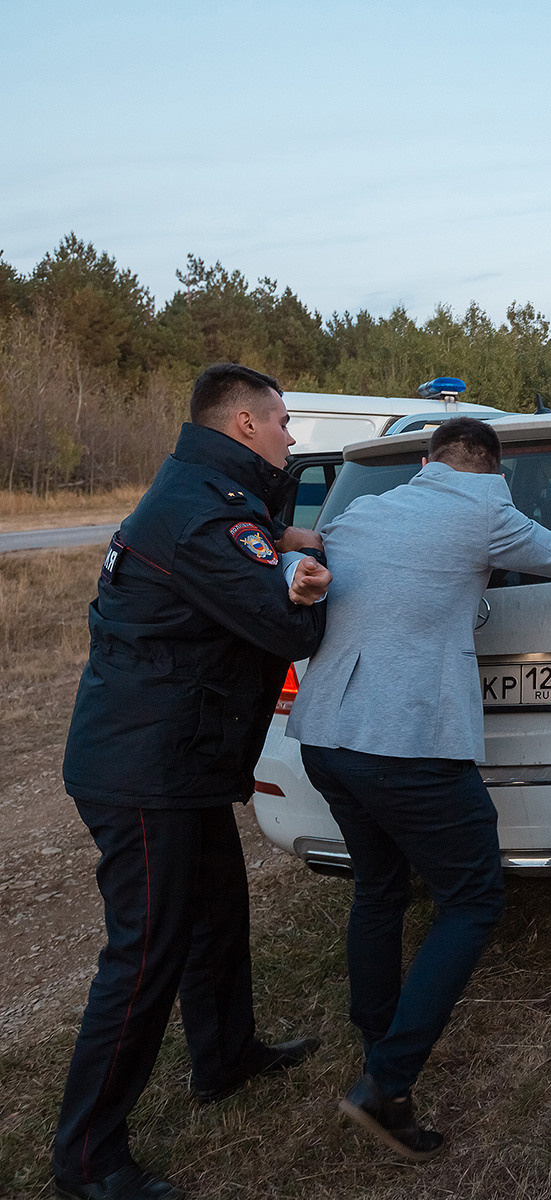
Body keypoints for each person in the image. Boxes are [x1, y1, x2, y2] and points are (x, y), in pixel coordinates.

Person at [286, 416, 551, 1162]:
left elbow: (319, 560)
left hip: (324, 736)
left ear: (425, 461)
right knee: (473, 899)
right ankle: (385, 1082)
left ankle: (379, 1044)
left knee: (379, 890)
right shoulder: (488, 511)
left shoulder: (360, 510)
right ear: (493, 469)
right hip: (404, 745)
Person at [52, 364, 331, 1200]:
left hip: (180, 757)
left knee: (216, 914)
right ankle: (88, 1158)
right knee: (145, 955)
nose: (291, 435)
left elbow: (237, 565)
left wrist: (283, 542)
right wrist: (307, 588)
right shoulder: (205, 510)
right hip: (146, 767)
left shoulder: (211, 493)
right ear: (242, 424)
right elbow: (283, 625)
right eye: (281, 421)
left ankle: (225, 1056)